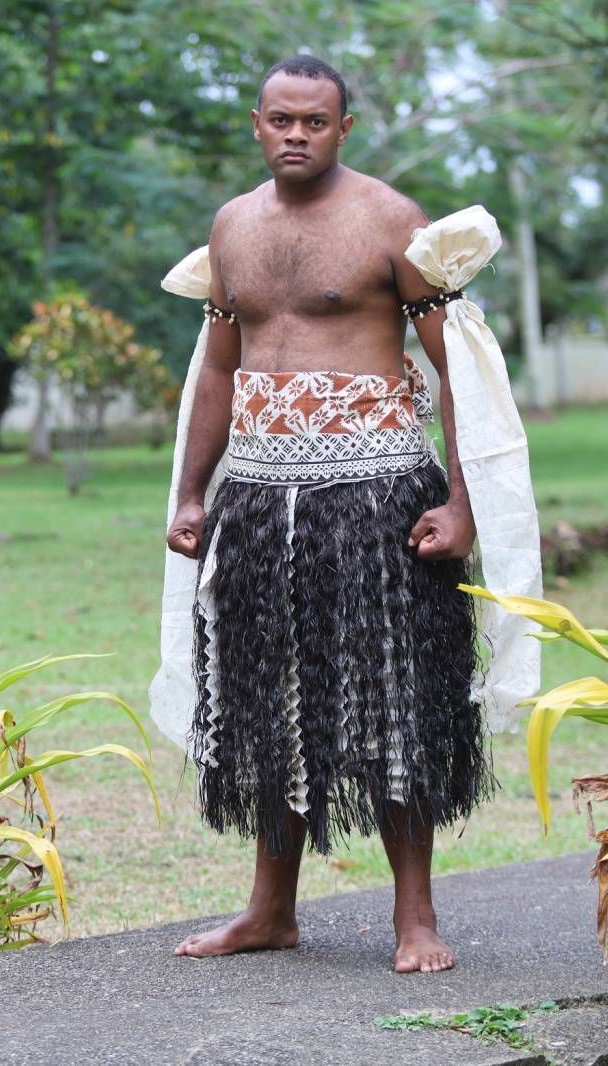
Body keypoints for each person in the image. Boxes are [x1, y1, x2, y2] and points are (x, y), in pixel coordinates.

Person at [155, 54, 539, 974]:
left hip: (377, 496)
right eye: (281, 119)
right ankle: (269, 911)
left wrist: (461, 502)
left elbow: (456, 367)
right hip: (257, 496)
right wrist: (193, 493)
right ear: (257, 123)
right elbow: (218, 370)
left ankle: (416, 918)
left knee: (395, 699)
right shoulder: (233, 226)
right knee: (266, 702)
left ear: (343, 128)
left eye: (315, 121)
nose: (297, 134)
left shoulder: (392, 220)